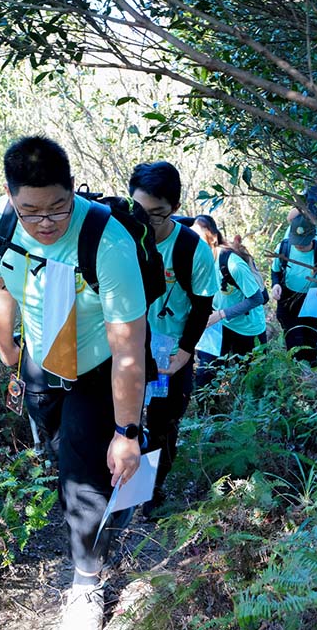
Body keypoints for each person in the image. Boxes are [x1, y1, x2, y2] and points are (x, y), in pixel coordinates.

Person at [0, 136, 146, 630]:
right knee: (54, 443)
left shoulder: (107, 242)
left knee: (82, 470)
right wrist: (9, 349)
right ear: (10, 198)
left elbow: (129, 348)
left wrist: (127, 431)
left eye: (58, 208)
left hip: (97, 364)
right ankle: (79, 479)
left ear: (75, 191)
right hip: (41, 360)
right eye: (31, 211)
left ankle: (85, 585)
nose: (45, 223)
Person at [128, 161, 218, 518]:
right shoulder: (122, 237)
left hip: (171, 350)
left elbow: (201, 305)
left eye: (158, 214)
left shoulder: (191, 249)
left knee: (163, 423)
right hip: (128, 346)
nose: (147, 222)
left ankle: (151, 492)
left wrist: (184, 352)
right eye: (140, 211)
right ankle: (124, 488)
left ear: (175, 209)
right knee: (124, 419)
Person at [191, 214, 268, 394]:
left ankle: (250, 413)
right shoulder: (199, 261)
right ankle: (210, 412)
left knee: (252, 378)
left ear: (213, 238)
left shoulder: (232, 263)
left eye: (200, 239)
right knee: (208, 373)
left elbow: (257, 299)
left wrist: (221, 314)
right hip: (220, 325)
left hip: (247, 328)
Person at [270, 214, 317, 364]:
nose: (299, 245)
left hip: (313, 298)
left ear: (313, 237)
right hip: (288, 297)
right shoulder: (284, 247)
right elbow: (275, 271)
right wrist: (276, 284)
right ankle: (294, 367)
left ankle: (310, 367)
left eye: (304, 243)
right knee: (292, 334)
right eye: (297, 242)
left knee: (309, 335)